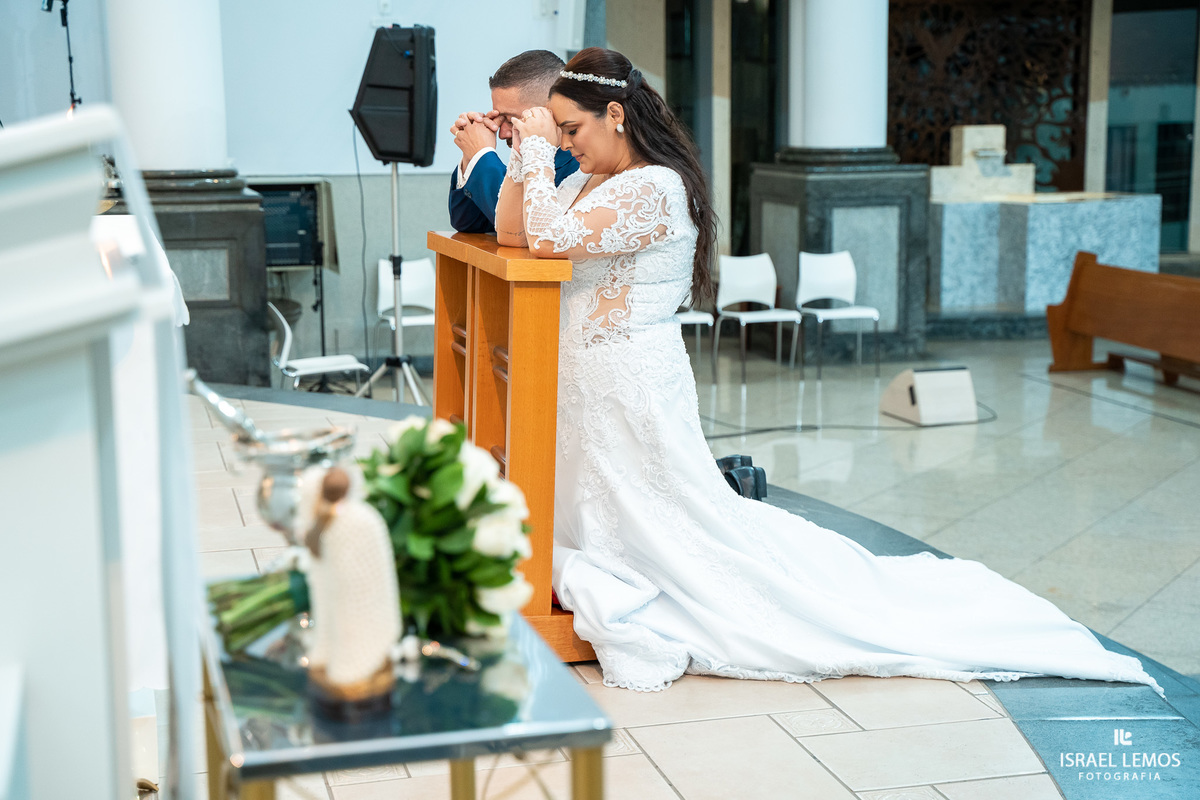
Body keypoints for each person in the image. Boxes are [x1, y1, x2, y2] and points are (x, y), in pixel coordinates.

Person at [495, 46, 1161, 695]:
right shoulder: (587, 179)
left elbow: (552, 238)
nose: (566, 144)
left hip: (630, 379)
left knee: (665, 518)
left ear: (616, 116)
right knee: (606, 508)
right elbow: (517, 234)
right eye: (559, 132)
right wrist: (517, 159)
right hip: (586, 379)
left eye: (572, 130)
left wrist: (532, 156)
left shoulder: (654, 187)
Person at [448, 50, 579, 234]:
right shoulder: (523, 156)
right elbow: (468, 223)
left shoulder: (580, 164)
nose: (501, 133)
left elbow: (519, 230)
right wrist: (470, 157)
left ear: (551, 111)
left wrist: (482, 156)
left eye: (510, 119)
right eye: (499, 118)